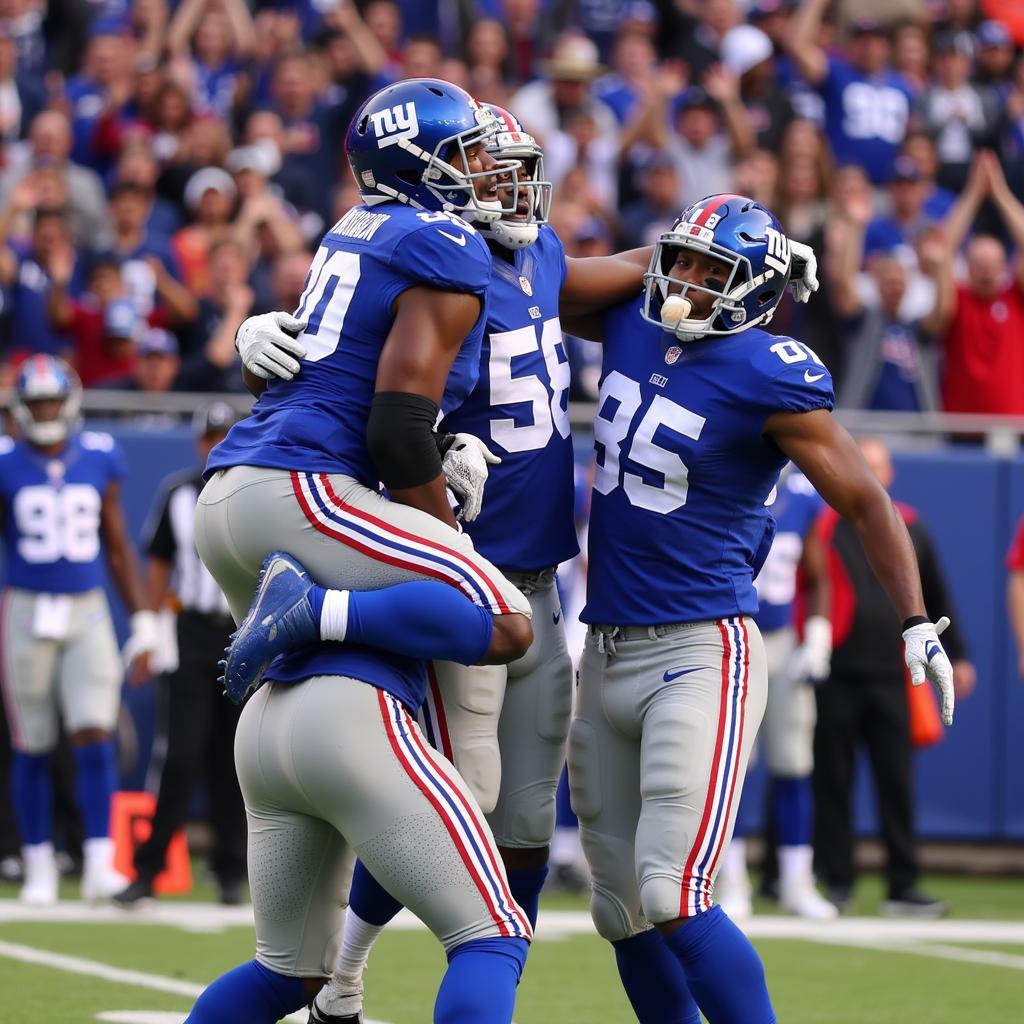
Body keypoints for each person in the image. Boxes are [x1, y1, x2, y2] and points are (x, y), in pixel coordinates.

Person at [233, 102, 691, 1024]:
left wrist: (731, 229)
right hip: (452, 575)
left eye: (515, 167)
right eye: (488, 167)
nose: (508, 186)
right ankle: (349, 973)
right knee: (464, 802)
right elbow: (334, 375)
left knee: (523, 822)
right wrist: (254, 342)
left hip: (541, 581)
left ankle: (479, 988)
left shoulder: (542, 259)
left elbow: (644, 271)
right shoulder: (427, 262)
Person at [186, 78, 540, 1024]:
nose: (483, 171)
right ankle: (324, 613)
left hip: (236, 494)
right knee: (505, 617)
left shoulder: (361, 227)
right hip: (304, 486)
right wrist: (438, 512)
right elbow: (392, 424)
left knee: (282, 973)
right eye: (465, 151)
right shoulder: (445, 241)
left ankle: (334, 982)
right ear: (419, 163)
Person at [562, 194, 956, 1023]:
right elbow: (544, 284)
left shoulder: (769, 369)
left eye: (716, 273)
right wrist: (677, 249)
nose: (689, 285)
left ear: (758, 291)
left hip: (699, 648)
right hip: (605, 647)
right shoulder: (634, 319)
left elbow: (867, 504)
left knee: (675, 890)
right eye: (683, 262)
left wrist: (917, 618)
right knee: (619, 907)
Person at [0, 355, 158, 904]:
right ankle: (39, 863)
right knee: (33, 742)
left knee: (94, 731)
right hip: (25, 607)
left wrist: (142, 617)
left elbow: (116, 544)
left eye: (51, 400)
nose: (45, 410)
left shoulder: (98, 456)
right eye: (36, 401)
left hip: (87, 607)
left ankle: (98, 862)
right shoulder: (5, 461)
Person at [813, 438, 975, 918]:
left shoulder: (909, 526)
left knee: (896, 782)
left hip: (894, 673)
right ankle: (836, 882)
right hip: (836, 672)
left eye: (878, 466)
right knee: (832, 781)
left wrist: (958, 653)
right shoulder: (824, 524)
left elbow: (935, 592)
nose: (871, 473)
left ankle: (903, 884)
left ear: (890, 474)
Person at [114, 401, 248, 909]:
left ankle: (231, 870)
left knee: (234, 759)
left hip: (242, 632)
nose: (215, 445)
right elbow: (159, 563)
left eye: (223, 434)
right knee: (182, 753)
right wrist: (149, 631)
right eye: (208, 436)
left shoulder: (257, 490)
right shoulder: (178, 492)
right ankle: (148, 869)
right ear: (197, 442)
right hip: (191, 629)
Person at [717, 467, 837, 921]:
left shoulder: (802, 501)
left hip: (783, 639)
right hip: (731, 634)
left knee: (793, 762)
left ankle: (796, 880)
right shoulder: (726, 482)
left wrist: (819, 633)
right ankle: (729, 879)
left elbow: (819, 575)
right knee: (732, 769)